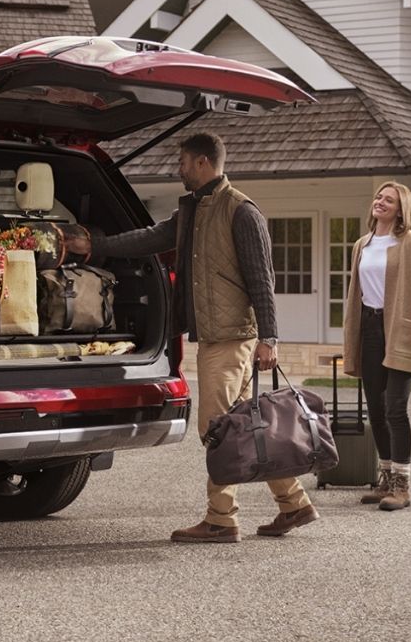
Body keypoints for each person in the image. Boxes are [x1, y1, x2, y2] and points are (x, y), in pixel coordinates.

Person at [66, 132, 318, 543]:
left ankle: (221, 520)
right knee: (244, 426)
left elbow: (262, 280)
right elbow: (149, 238)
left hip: (232, 339)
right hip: (216, 337)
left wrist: (269, 337)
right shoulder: (194, 210)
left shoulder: (241, 211)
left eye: (182, 161)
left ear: (202, 162)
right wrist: (95, 245)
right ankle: (293, 503)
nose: (178, 169)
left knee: (218, 430)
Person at [341, 182, 411, 510]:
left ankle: (402, 486)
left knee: (395, 407)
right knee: (376, 410)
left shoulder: (410, 242)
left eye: (389, 200)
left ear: (401, 209)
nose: (380, 202)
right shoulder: (362, 244)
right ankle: (384, 480)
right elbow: (356, 293)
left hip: (400, 329)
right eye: (379, 197)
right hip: (369, 329)